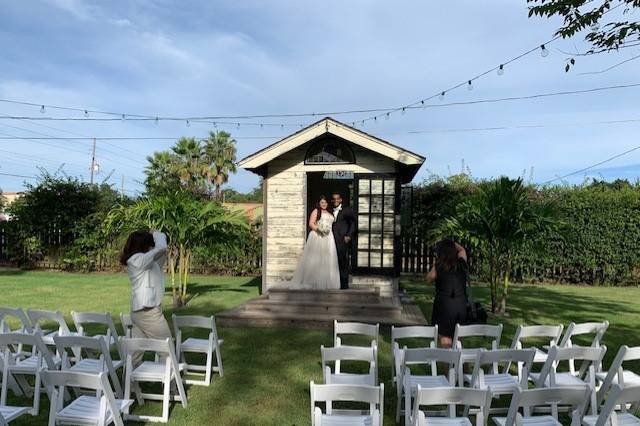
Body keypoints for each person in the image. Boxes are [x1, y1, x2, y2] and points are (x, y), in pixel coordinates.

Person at [120, 230, 172, 365]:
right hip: (147, 312)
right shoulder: (137, 260)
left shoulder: (147, 262)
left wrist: (162, 239)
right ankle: (171, 385)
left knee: (136, 353)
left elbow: (163, 251)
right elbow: (161, 247)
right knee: (167, 349)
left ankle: (131, 385)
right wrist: (156, 234)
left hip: (141, 312)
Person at [289, 195, 341, 290]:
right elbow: (311, 223)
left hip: (329, 237)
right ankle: (313, 281)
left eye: (325, 202)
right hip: (318, 236)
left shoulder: (330, 212)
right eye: (322, 202)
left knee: (328, 257)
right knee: (316, 258)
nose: (324, 204)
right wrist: (320, 229)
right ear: (319, 203)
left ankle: (329, 281)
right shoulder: (316, 211)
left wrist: (326, 231)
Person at [426, 239, 468, 348]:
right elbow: (462, 249)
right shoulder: (462, 264)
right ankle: (462, 364)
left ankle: (449, 364)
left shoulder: (439, 266)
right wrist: (451, 244)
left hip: (444, 308)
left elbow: (429, 278)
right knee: (458, 342)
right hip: (461, 307)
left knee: (445, 342)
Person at [330, 192, 356, 289]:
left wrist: (348, 235)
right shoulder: (329, 210)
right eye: (334, 199)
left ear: (340, 200)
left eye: (337, 199)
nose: (336, 200)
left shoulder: (347, 210)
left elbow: (353, 223)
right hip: (331, 239)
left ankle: (344, 284)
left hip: (342, 239)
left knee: (342, 261)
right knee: (332, 261)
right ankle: (334, 283)